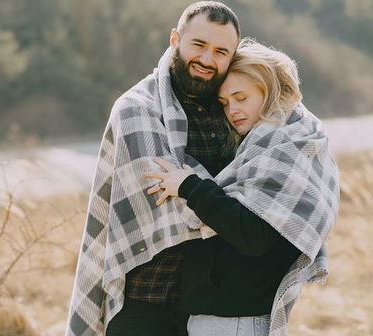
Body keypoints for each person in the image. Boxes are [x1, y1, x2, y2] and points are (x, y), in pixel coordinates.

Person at [65, 2, 242, 336]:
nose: (207, 59)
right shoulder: (137, 109)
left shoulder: (232, 112)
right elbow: (169, 201)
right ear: (175, 39)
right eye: (199, 45)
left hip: (214, 306)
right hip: (145, 301)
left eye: (221, 52)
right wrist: (243, 215)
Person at [143, 39, 340, 336]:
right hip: (223, 319)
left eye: (241, 97)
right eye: (224, 103)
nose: (232, 110)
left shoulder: (285, 147)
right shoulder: (260, 147)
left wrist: (191, 187)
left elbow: (253, 235)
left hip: (236, 323)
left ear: (269, 92)